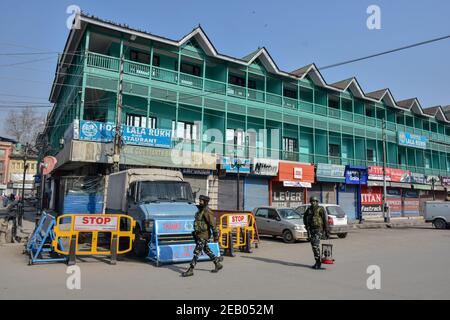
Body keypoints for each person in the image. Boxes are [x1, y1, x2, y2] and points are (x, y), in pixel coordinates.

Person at [182, 195, 223, 277]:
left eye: (201, 201)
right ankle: (217, 264)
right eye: (199, 200)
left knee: (197, 251)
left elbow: (212, 224)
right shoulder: (200, 211)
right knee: (206, 249)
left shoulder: (207, 211)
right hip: (199, 234)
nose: (199, 202)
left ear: (205, 202)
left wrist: (215, 235)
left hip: (204, 235)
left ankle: (191, 269)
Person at [303, 196, 329, 270]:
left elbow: (324, 219)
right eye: (312, 201)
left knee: (315, 245)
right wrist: (306, 225)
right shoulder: (309, 209)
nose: (313, 202)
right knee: (313, 246)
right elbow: (304, 217)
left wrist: (326, 231)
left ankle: (318, 262)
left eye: (314, 201)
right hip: (311, 230)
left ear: (317, 202)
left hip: (318, 229)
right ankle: (317, 261)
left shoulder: (320, 209)